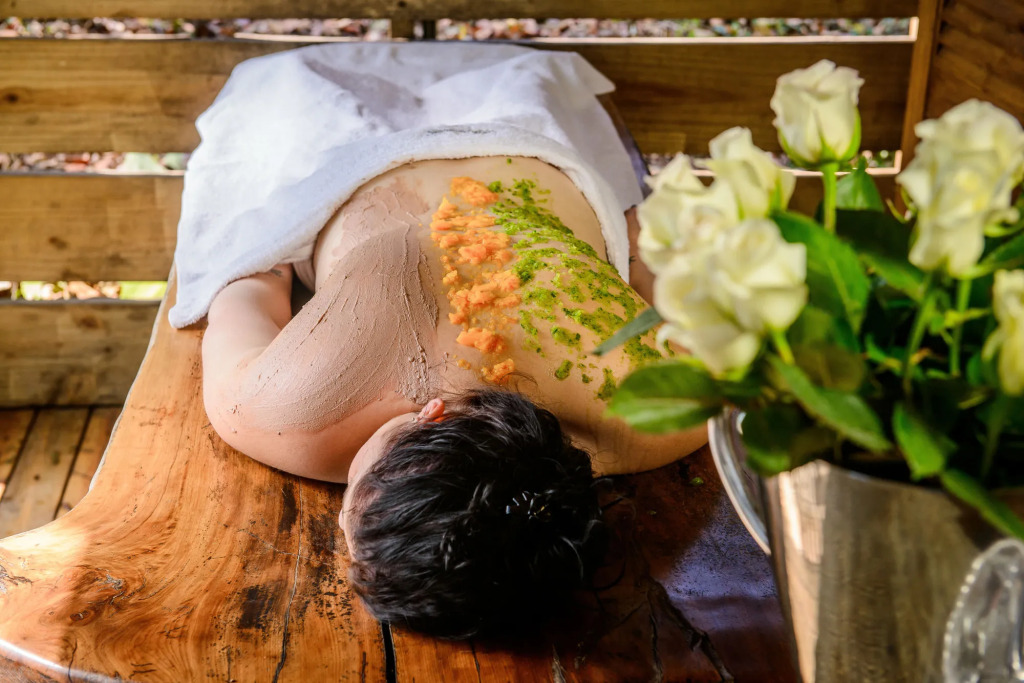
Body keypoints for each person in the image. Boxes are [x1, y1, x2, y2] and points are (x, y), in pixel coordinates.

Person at [189, 46, 706, 639]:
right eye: (351, 516)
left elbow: (645, 246)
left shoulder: (669, 411)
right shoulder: (271, 411)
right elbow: (251, 282)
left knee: (292, 86)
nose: (341, 523)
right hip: (366, 166)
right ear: (431, 414)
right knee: (282, 93)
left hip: (536, 153)